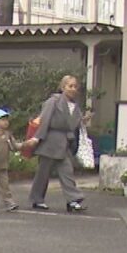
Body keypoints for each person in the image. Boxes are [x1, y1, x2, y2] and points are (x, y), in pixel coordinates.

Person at [26, 75, 89, 213]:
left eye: (75, 86)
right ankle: (37, 199)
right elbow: (45, 120)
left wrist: (82, 121)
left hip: (64, 143)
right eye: (70, 86)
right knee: (43, 173)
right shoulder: (53, 102)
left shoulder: (76, 107)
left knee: (67, 171)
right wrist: (37, 138)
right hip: (49, 140)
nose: (73, 89)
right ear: (63, 87)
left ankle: (73, 200)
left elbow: (73, 125)